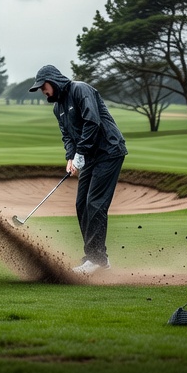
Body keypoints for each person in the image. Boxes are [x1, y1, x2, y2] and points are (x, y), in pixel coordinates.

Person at [29, 65, 128, 274]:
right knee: (81, 204)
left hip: (109, 150)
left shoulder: (80, 90)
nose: (42, 91)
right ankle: (97, 257)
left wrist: (80, 152)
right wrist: (71, 157)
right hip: (90, 156)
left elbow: (92, 122)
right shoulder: (58, 108)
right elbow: (67, 135)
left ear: (53, 81)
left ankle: (96, 259)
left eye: (43, 86)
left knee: (95, 203)